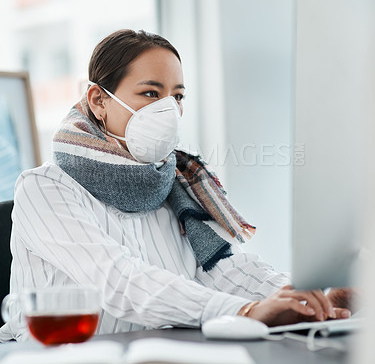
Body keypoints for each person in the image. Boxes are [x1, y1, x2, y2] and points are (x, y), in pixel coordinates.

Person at [0, 29, 351, 342]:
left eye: (177, 96)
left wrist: (313, 298)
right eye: (151, 93)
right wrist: (245, 312)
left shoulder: (173, 183)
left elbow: (223, 271)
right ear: (98, 100)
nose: (169, 109)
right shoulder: (43, 188)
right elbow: (119, 281)